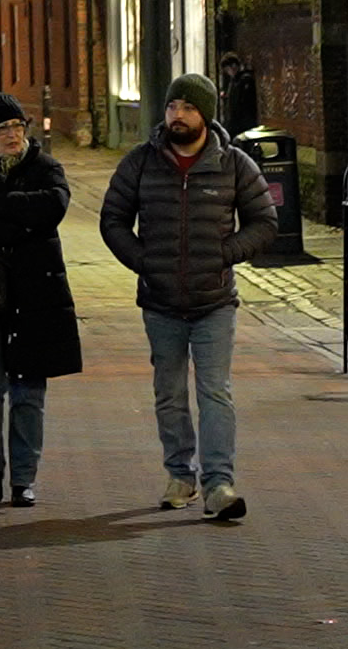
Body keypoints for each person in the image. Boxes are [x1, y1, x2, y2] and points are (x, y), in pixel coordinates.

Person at [100, 71, 275, 523]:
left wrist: (224, 254)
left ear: (206, 115)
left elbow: (264, 221)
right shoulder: (141, 162)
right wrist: (143, 261)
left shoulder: (234, 164)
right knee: (170, 393)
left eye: (189, 108)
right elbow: (113, 219)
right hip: (160, 302)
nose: (178, 115)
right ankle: (181, 475)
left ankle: (219, 483)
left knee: (215, 391)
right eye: (173, 107)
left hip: (214, 301)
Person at [0, 92, 80, 506]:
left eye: (17, 126)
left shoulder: (45, 167)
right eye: (2, 129)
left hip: (35, 292)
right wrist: (20, 224)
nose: (12, 135)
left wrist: (1, 206)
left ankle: (24, 478)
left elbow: (54, 206)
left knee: (28, 388)